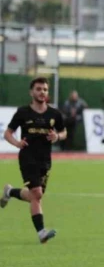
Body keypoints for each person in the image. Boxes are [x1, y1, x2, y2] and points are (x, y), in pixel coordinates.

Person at [0, 77, 66, 243]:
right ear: (31, 92)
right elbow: (7, 133)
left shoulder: (54, 114)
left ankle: (9, 192)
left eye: (45, 89)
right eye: (38, 89)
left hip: (45, 160)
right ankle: (41, 232)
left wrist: (57, 136)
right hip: (27, 157)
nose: (42, 92)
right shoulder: (23, 112)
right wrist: (17, 143)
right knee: (36, 194)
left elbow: (64, 132)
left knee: (34, 196)